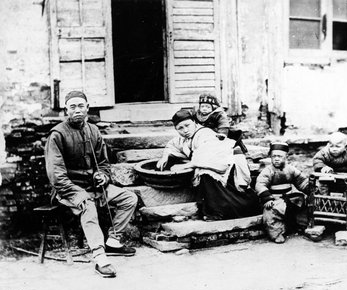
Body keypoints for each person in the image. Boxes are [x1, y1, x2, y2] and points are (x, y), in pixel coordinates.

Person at [45, 91, 138, 278]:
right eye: (72, 107)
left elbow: (103, 162)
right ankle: (100, 257)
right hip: (68, 191)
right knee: (88, 206)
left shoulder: (93, 131)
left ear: (87, 108)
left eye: (81, 106)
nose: (77, 110)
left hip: (94, 186)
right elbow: (56, 175)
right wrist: (77, 191)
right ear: (66, 110)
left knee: (129, 198)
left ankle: (113, 241)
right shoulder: (57, 135)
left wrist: (102, 175)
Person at [157, 109, 260, 221]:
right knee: (202, 172)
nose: (185, 130)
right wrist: (165, 156)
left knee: (205, 174)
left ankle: (222, 212)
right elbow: (173, 144)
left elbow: (205, 158)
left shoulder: (204, 134)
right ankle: (213, 210)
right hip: (216, 163)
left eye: (187, 125)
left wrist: (183, 166)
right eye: (180, 128)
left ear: (194, 122)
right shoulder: (185, 138)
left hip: (229, 163)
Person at [255, 142, 309, 243]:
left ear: (286, 157)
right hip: (275, 199)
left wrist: (308, 188)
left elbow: (301, 181)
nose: (276, 159)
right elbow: (260, 184)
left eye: (279, 156)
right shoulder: (268, 171)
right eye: (273, 156)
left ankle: (303, 226)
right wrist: (267, 198)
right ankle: (277, 233)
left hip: (291, 197)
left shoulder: (291, 169)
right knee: (270, 214)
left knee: (304, 205)